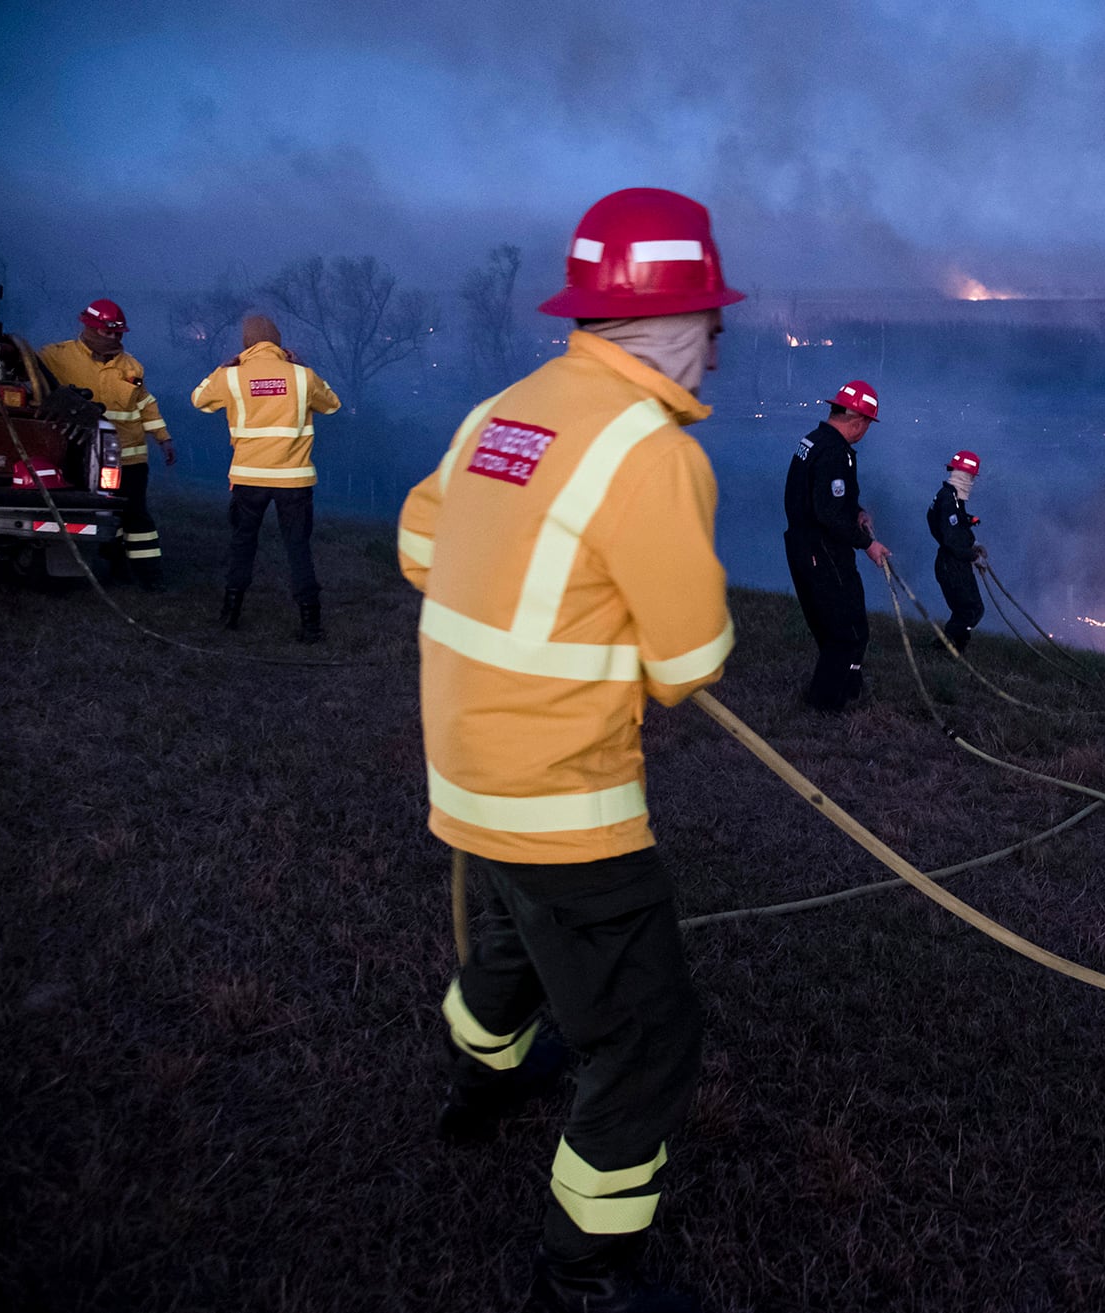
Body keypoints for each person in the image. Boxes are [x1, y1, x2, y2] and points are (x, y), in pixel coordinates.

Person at [397, 187, 739, 1313]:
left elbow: (414, 540)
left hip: (464, 765)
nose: (717, 353)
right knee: (645, 1038)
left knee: (510, 936)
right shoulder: (651, 449)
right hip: (559, 792)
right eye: (717, 327)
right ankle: (583, 1274)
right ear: (685, 324)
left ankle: (476, 1077)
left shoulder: (506, 405)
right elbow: (689, 661)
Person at [190, 316, 341, 641]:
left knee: (242, 544)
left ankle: (230, 615)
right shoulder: (303, 377)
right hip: (294, 479)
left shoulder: (231, 377)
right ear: (278, 342)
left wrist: (223, 368)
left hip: (248, 478)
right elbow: (332, 405)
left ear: (246, 343)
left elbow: (199, 400)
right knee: (298, 547)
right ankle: (311, 625)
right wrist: (304, 366)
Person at [39, 299, 174, 589]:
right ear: (88, 328)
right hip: (77, 454)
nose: (114, 339)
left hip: (129, 459)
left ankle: (150, 578)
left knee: (136, 517)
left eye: (118, 334)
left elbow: (146, 405)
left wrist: (164, 439)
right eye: (107, 333)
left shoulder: (132, 366)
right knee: (92, 513)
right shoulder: (55, 357)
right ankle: (112, 564)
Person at [783, 379, 891, 709]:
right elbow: (828, 512)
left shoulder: (813, 441)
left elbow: (820, 497)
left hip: (805, 546)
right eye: (867, 425)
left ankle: (849, 688)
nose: (865, 432)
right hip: (823, 551)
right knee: (846, 633)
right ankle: (824, 708)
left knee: (842, 625)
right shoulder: (833, 453)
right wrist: (868, 545)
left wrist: (855, 512)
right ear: (858, 421)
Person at [925, 449, 986, 651]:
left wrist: (970, 523)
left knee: (967, 609)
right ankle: (942, 647)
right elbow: (950, 539)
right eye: (971, 476)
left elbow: (955, 523)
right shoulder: (949, 500)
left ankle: (956, 648)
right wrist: (972, 556)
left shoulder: (952, 498)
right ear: (963, 475)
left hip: (954, 562)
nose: (972, 481)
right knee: (971, 609)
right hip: (951, 564)